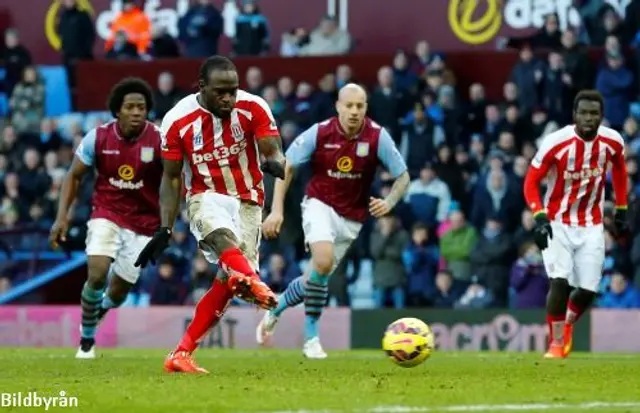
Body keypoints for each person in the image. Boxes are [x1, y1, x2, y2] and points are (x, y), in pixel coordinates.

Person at [134, 55, 286, 373]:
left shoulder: (254, 106)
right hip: (205, 195)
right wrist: (164, 227)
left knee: (227, 282)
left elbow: (272, 147)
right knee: (221, 238)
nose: (229, 98)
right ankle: (254, 280)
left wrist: (276, 161)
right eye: (221, 92)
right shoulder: (178, 120)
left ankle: (181, 354)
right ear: (202, 87)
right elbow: (172, 178)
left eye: (233, 90)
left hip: (249, 201)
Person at [257, 83, 410, 358]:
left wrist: (389, 202)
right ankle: (311, 337)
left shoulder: (377, 137)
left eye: (359, 106)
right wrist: (276, 210)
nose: (353, 111)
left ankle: (277, 307)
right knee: (324, 261)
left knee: (315, 277)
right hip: (319, 204)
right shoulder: (320, 132)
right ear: (338, 106)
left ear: (365, 108)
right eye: (348, 105)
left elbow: (403, 176)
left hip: (352, 219)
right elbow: (286, 165)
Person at [49, 78, 162, 359]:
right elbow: (74, 175)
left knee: (120, 290)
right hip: (106, 212)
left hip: (145, 222)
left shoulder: (160, 138)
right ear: (117, 110)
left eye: (142, 107)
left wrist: (168, 226)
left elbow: (174, 180)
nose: (137, 112)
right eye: (130, 107)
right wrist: (62, 217)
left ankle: (100, 309)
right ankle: (87, 340)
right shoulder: (97, 137)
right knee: (97, 272)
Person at [523, 89, 628, 359]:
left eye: (594, 113)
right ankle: (556, 344)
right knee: (560, 282)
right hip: (557, 221)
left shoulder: (613, 141)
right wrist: (540, 217)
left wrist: (621, 207)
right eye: (583, 113)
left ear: (601, 116)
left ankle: (566, 324)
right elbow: (531, 182)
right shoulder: (555, 142)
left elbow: (619, 169)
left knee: (588, 290)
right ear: (574, 115)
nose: (589, 118)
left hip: (591, 224)